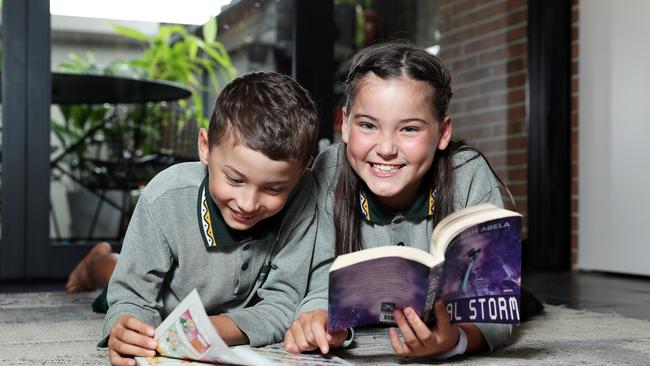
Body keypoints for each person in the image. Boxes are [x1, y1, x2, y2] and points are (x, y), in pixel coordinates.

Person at [284, 42, 513, 359]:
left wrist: (455, 340)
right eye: (367, 125)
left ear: (443, 132)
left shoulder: (467, 175)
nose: (387, 147)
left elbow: (492, 302)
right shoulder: (329, 172)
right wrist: (318, 317)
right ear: (346, 124)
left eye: (409, 129)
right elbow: (322, 273)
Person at [94, 72, 319, 366]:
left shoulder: (304, 200)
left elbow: (283, 305)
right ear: (205, 147)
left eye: (273, 188)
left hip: (217, 310)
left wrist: (204, 331)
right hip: (166, 298)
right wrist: (127, 324)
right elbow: (132, 296)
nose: (248, 203)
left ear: (301, 173)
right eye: (234, 179)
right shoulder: (164, 197)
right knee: (109, 274)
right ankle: (94, 261)